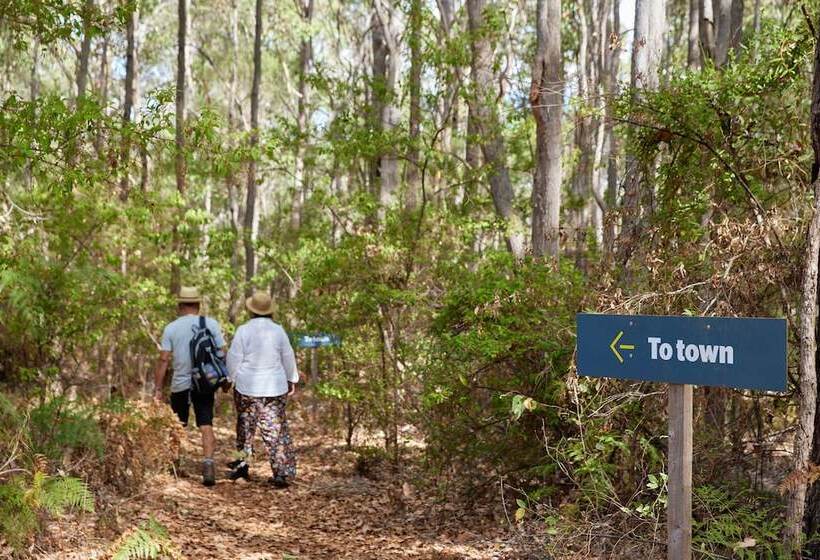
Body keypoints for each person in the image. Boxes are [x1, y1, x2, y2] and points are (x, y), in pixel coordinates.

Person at [153, 286, 227, 487]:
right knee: (206, 423)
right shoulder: (210, 323)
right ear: (198, 305)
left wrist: (158, 388)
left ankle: (174, 466)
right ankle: (208, 464)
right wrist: (224, 379)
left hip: (181, 383)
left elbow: (163, 359)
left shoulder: (171, 328)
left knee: (178, 425)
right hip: (204, 382)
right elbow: (222, 353)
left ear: (180, 305)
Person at [226, 290, 299, 487]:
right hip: (275, 388)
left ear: (251, 310)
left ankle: (241, 468)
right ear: (270, 310)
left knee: (245, 429)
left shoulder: (243, 330)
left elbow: (234, 357)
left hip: (247, 388)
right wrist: (291, 378)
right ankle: (282, 472)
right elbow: (287, 356)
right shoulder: (278, 330)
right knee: (276, 430)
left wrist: (230, 378)